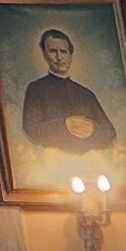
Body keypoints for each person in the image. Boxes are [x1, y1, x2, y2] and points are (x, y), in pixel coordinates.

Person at [19, 25, 120, 163]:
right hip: (54, 163)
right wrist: (64, 126)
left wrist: (93, 129)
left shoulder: (86, 94)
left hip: (90, 163)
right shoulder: (36, 89)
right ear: (44, 53)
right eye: (53, 51)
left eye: (64, 51)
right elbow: (31, 129)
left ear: (70, 54)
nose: (59, 57)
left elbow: (110, 132)